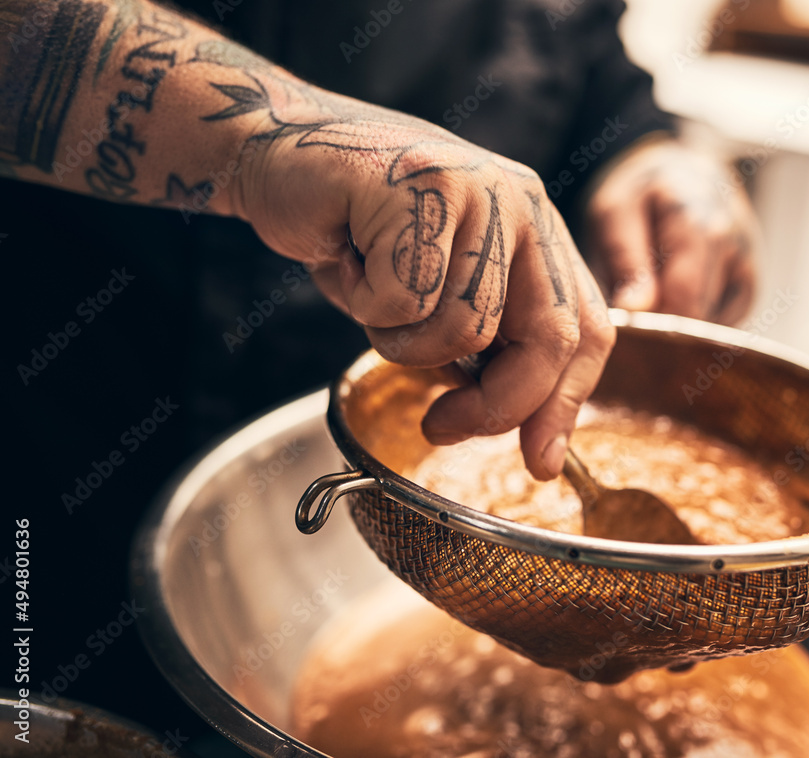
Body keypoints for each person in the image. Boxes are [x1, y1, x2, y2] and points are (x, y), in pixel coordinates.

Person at [0, 0, 756, 741]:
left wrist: (643, 147)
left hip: (379, 481)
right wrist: (262, 135)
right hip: (57, 502)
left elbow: (581, 46)